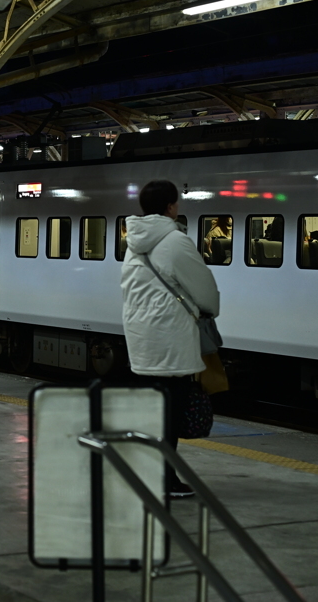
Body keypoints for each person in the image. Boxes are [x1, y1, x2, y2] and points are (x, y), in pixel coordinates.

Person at [120, 180, 220, 499]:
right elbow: (207, 296)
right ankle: (164, 480)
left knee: (151, 413)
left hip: (142, 340)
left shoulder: (134, 244)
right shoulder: (176, 242)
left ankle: (150, 474)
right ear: (170, 207)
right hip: (171, 343)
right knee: (170, 417)